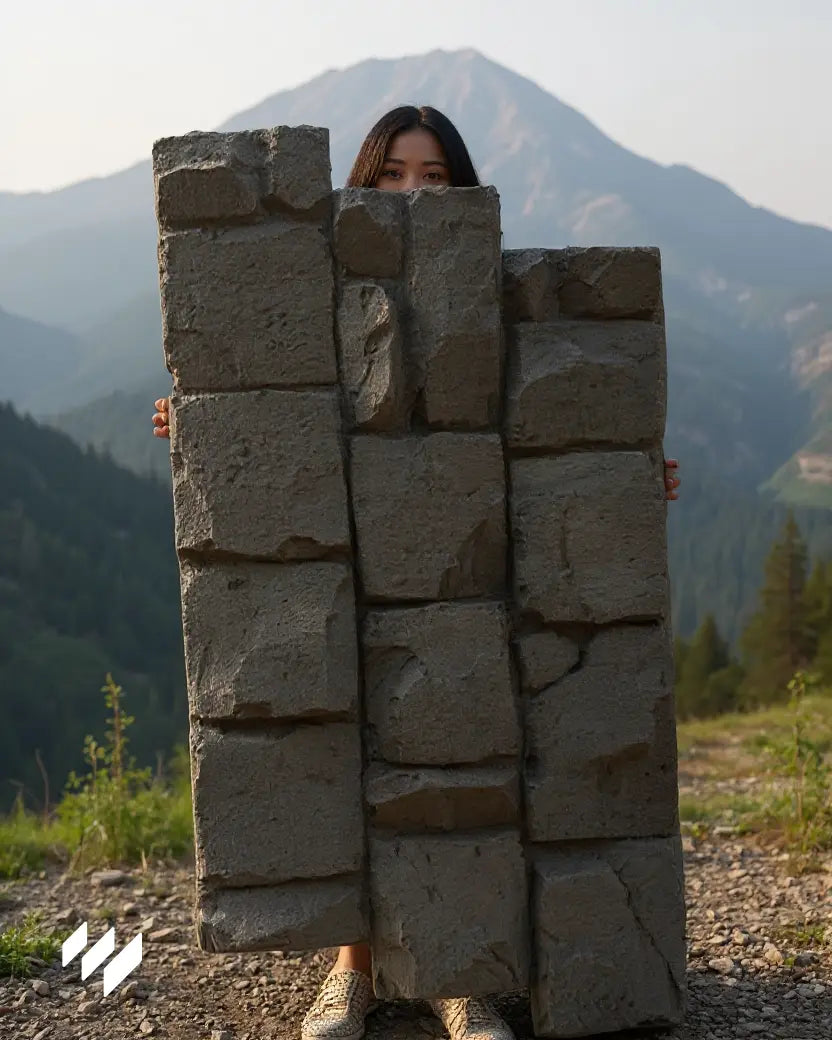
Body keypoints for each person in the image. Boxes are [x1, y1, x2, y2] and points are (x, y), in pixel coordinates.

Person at [152, 105, 682, 1040]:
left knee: (457, 732)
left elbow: (558, 412)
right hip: (335, 560)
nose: (412, 194)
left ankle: (458, 972)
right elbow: (265, 396)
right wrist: (205, 419)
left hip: (462, 557)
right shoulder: (312, 287)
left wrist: (626, 474)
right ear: (360, 185)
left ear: (467, 191)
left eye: (434, 178)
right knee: (340, 739)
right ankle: (352, 969)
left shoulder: (492, 293)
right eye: (393, 174)